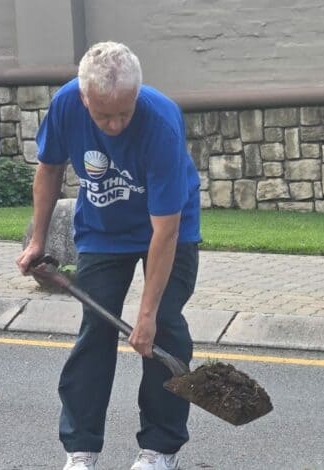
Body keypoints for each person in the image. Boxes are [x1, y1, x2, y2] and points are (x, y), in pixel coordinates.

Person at [16, 41, 201, 470]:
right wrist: (37, 240)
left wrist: (148, 314)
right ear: (84, 98)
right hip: (103, 227)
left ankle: (159, 449)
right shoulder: (66, 104)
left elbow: (165, 230)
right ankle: (80, 450)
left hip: (170, 226)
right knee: (95, 331)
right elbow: (49, 168)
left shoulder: (161, 122)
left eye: (124, 112)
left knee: (165, 331)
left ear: (137, 95)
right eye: (103, 116)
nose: (115, 125)